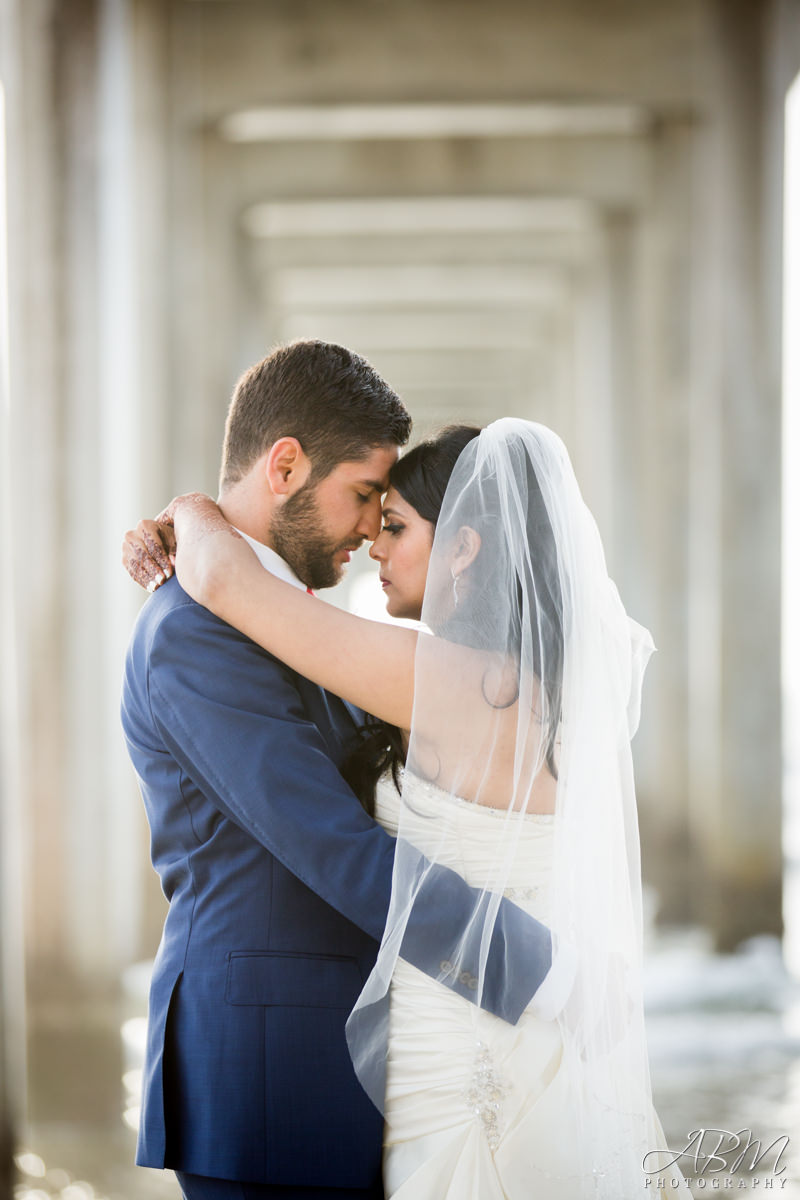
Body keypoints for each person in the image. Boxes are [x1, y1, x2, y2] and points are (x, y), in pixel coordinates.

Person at [125, 416, 684, 1198]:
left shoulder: (439, 680)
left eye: (393, 524)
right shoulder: (536, 683)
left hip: (464, 1042)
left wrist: (190, 512)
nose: (373, 544)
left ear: (463, 545)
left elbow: (225, 582)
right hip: (510, 1040)